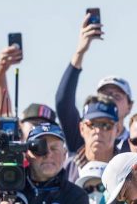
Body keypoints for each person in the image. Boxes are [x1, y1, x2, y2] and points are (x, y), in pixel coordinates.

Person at [55, 10, 132, 155]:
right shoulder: (84, 140)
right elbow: (63, 102)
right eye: (105, 94)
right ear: (82, 128)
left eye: (117, 95)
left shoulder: (135, 144)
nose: (110, 99)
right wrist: (80, 52)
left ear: (130, 106)